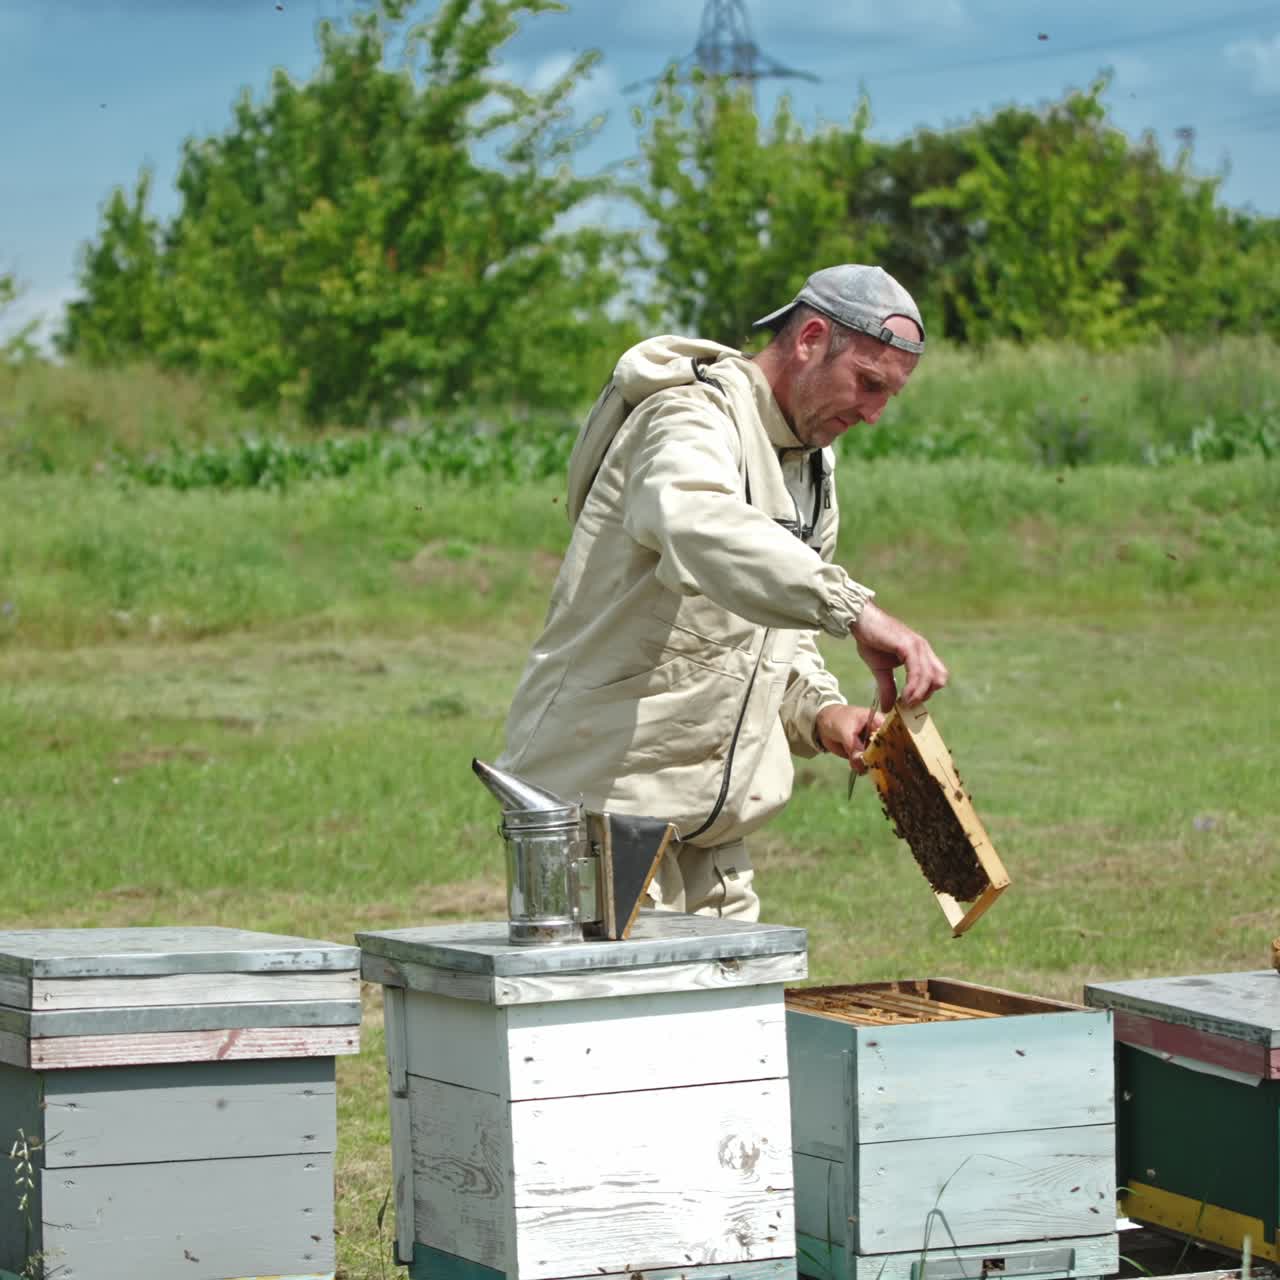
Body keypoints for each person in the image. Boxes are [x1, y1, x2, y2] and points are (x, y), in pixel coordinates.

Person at [495, 264, 948, 922]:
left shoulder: (812, 466)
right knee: (602, 1027)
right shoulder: (686, 413)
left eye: (889, 396)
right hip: (598, 825)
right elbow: (694, 521)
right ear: (811, 338)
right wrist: (853, 610)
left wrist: (823, 716)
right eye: (868, 383)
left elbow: (772, 642)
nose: (873, 414)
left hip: (712, 840)